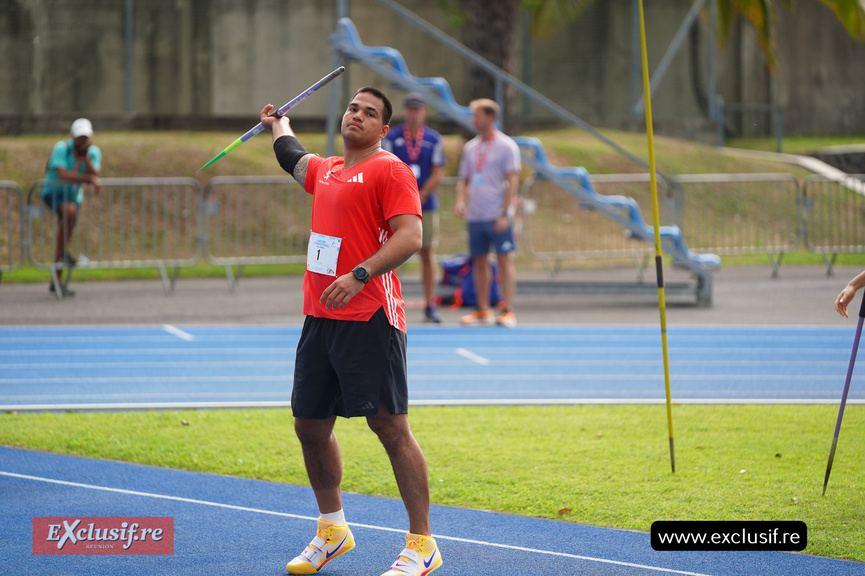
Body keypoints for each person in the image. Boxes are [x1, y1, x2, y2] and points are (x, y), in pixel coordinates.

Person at [259, 86, 443, 576]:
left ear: (384, 129)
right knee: (310, 426)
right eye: (353, 108)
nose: (357, 116)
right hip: (321, 317)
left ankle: (422, 543)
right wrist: (278, 123)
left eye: (370, 113)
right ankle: (332, 530)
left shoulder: (390, 169)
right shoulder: (328, 170)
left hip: (368, 315)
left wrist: (360, 273)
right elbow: (291, 156)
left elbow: (411, 236)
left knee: (389, 426)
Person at [454, 98, 521, 327]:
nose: (474, 120)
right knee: (479, 262)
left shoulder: (506, 146)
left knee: (504, 260)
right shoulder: (471, 147)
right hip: (476, 215)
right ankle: (483, 309)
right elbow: (464, 180)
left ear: (491, 117)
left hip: (497, 214)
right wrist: (461, 201)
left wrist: (505, 211)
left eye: (478, 115)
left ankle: (508, 309)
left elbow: (512, 179)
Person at [383, 92, 446, 323]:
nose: (413, 113)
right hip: (396, 204)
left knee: (428, 252)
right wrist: (403, 195)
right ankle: (387, 302)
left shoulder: (433, 138)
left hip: (424, 204)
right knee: (389, 254)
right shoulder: (393, 136)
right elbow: (386, 166)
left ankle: (430, 303)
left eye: (418, 109)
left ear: (424, 112)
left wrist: (420, 195)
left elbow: (438, 171)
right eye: (410, 108)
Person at [42, 118, 102, 297]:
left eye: (85, 138)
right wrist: (88, 179)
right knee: (68, 211)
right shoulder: (61, 148)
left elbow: (95, 173)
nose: (82, 141)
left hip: (73, 196)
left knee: (64, 237)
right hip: (53, 192)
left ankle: (56, 281)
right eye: (79, 138)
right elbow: (61, 173)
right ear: (72, 137)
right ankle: (62, 259)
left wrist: (86, 158)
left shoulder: (93, 152)